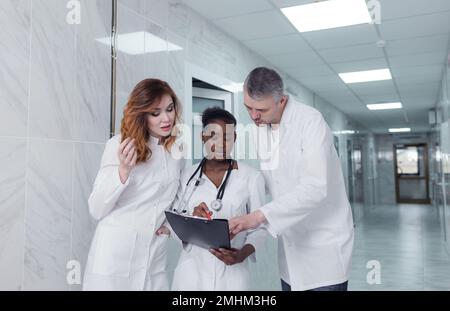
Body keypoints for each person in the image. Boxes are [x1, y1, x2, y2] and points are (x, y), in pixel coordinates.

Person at [228, 67, 354, 291]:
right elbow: (273, 181)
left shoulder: (311, 122)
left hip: (324, 249)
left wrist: (259, 216)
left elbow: (315, 188)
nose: (253, 116)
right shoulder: (260, 128)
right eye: (248, 107)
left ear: (282, 101)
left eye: (261, 109)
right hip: (290, 248)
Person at [83, 79, 183, 290]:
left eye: (170, 109)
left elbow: (174, 198)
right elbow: (96, 208)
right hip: (115, 258)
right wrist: (123, 172)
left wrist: (168, 226)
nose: (166, 119)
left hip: (154, 258)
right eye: (155, 113)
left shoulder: (176, 150)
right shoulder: (119, 146)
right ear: (141, 114)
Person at [170, 107, 266, 291]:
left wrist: (242, 254)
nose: (221, 143)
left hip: (233, 277)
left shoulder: (251, 177)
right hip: (191, 276)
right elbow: (174, 224)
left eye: (227, 137)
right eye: (213, 135)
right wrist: (192, 217)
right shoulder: (185, 177)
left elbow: (260, 229)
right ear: (203, 137)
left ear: (235, 139)